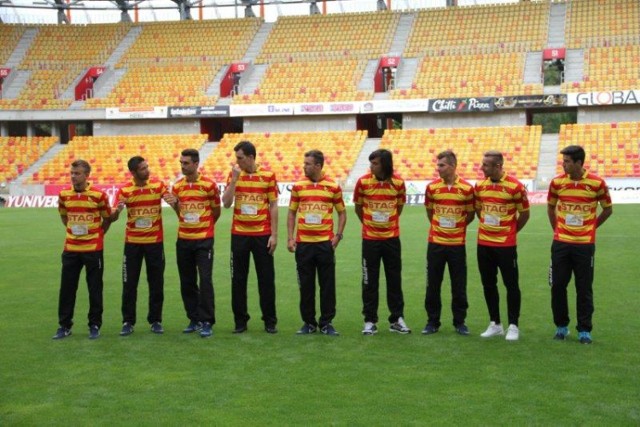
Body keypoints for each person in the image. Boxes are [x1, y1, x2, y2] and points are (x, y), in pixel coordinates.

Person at [547, 145, 612, 344]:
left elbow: (607, 209)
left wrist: (591, 228)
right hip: (561, 243)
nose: (563, 164)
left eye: (567, 161)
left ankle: (584, 330)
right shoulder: (557, 182)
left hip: (584, 245)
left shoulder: (597, 183)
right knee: (557, 285)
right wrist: (557, 230)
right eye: (563, 161)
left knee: (584, 287)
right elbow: (551, 207)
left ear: (578, 163)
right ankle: (561, 326)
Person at [287, 150, 346, 336]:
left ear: (318, 166)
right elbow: (291, 213)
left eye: (307, 163)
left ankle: (326, 322)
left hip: (324, 244)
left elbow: (342, 213)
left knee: (327, 285)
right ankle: (309, 323)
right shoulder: (298, 186)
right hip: (303, 244)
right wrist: (290, 237)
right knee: (306, 285)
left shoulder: (333, 187)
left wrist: (338, 236)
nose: (303, 166)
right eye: (304, 163)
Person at [111, 156, 172, 336]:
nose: (148, 170)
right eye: (143, 168)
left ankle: (156, 320)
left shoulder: (158, 186)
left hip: (154, 243)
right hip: (132, 245)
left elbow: (170, 197)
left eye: (147, 167)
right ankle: (128, 321)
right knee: (129, 284)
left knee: (156, 283)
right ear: (133, 172)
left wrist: (172, 200)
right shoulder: (124, 191)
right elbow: (112, 217)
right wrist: (118, 211)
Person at [222, 140, 279, 334]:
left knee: (266, 279)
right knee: (238, 279)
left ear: (251, 157)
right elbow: (227, 203)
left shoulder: (268, 176)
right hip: (239, 235)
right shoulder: (234, 175)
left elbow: (273, 205)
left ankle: (270, 321)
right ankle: (240, 321)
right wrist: (234, 181)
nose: (237, 162)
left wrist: (274, 235)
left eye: (240, 158)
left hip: (262, 235)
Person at [164, 148, 221, 338]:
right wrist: (175, 204)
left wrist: (204, 227)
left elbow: (216, 212)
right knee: (187, 281)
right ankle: (194, 318)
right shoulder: (177, 186)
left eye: (186, 163)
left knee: (205, 280)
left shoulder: (209, 185)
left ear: (196, 164)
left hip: (203, 240)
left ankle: (207, 321)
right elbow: (180, 213)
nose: (182, 166)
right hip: (184, 240)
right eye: (181, 162)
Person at [53, 159, 112, 340]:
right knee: (67, 288)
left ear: (86, 175)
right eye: (71, 173)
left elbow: (107, 218)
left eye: (77, 173)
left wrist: (99, 234)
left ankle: (94, 324)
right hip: (71, 248)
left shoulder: (98, 195)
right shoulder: (64, 195)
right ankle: (64, 325)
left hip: (93, 248)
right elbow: (65, 218)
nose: (73, 176)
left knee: (94, 288)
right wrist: (74, 232)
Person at [474, 150, 530, 341]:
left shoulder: (515, 186)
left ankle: (513, 325)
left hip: (506, 246)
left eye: (485, 165)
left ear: (498, 166)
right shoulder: (480, 186)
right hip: (484, 244)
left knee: (511, 284)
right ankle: (495, 323)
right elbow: (478, 210)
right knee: (488, 284)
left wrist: (510, 232)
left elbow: (524, 214)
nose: (482, 168)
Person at [354, 149, 410, 335]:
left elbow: (399, 207)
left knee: (394, 280)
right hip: (370, 240)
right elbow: (358, 208)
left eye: (375, 163)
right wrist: (372, 225)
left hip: (392, 239)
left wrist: (387, 225)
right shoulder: (362, 182)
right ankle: (370, 320)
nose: (371, 167)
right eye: (370, 163)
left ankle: (397, 319)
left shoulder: (398, 183)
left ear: (385, 164)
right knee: (369, 281)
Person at [423, 150, 475, 336]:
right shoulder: (432, 188)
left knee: (458, 284)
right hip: (435, 243)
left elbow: (470, 214)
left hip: (457, 245)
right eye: (438, 165)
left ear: (452, 166)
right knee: (433, 284)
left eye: (442, 165)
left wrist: (457, 227)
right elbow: (430, 212)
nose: (438, 168)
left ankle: (460, 322)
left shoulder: (467, 189)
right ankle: (432, 322)